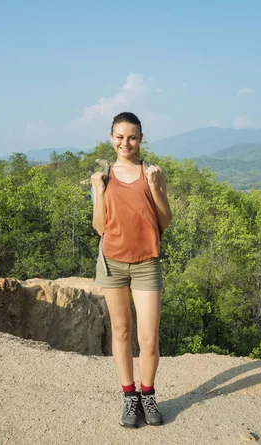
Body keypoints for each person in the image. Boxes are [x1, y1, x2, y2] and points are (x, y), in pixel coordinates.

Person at [91, 111, 172, 428]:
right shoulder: (103, 176)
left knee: (149, 338)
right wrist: (98, 191)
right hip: (112, 263)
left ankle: (148, 394)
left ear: (140, 139)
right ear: (112, 138)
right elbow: (100, 228)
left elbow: (164, 221)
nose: (126, 142)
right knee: (121, 332)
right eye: (120, 137)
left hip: (146, 263)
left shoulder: (151, 173)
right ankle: (129, 397)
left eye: (133, 137)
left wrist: (154, 187)